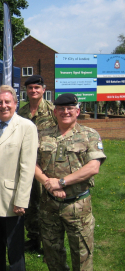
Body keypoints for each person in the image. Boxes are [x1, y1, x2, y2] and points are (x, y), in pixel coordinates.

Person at [35, 93, 106, 271]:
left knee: (82, 255)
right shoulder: (43, 135)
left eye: (70, 108)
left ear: (77, 111)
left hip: (77, 206)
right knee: (52, 254)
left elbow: (93, 167)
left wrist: (62, 182)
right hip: (49, 205)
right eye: (61, 109)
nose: (65, 112)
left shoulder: (89, 135)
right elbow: (31, 163)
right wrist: (48, 183)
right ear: (55, 112)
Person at [0, 85, 38, 271]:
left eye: (8, 102)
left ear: (15, 103)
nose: (3, 105)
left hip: (12, 200)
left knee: (14, 250)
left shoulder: (26, 127)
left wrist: (21, 200)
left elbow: (27, 167)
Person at [17, 74, 57, 251]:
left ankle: (49, 242)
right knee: (30, 203)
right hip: (26, 163)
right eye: (30, 88)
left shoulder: (53, 111)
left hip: (46, 164)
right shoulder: (22, 113)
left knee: (46, 203)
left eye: (37, 88)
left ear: (43, 90)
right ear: (26, 90)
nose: (33, 91)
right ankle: (33, 238)